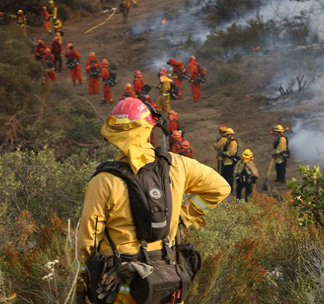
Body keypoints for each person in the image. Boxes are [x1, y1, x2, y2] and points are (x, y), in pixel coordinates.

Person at [75, 98, 230, 304]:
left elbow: (89, 239)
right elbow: (219, 188)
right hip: (166, 281)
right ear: (149, 128)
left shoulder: (104, 180)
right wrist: (183, 215)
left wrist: (81, 285)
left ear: (114, 134)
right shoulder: (177, 164)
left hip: (121, 286)